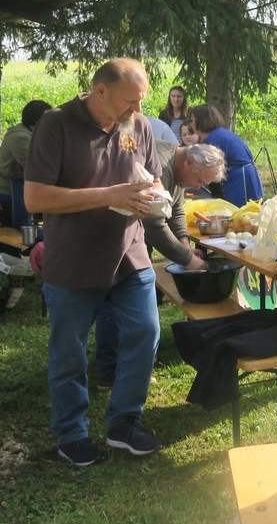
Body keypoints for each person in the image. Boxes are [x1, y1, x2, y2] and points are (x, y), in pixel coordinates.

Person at [24, 57, 165, 467]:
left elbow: (153, 178)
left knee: (145, 332)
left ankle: (124, 423)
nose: (138, 110)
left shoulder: (136, 126)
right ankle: (71, 434)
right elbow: (36, 198)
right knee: (69, 352)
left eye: (141, 101)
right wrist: (110, 195)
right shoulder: (56, 125)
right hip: (73, 261)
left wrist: (150, 196)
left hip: (129, 254)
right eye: (130, 101)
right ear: (100, 91)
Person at [95, 141, 228, 389]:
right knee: (112, 304)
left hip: (132, 240)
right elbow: (154, 225)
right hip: (112, 239)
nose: (198, 187)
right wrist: (188, 259)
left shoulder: (178, 171)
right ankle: (109, 371)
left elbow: (176, 209)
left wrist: (184, 243)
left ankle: (133, 365)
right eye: (199, 180)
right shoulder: (160, 162)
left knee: (134, 307)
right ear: (189, 162)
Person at [0, 99, 51, 228]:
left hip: (17, 187)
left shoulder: (35, 133)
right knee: (12, 230)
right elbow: (35, 168)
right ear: (36, 121)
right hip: (3, 189)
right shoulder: (20, 138)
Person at [187, 104, 264, 207]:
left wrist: (217, 197)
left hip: (240, 179)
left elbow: (210, 170)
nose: (190, 124)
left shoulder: (213, 139)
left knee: (240, 212)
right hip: (242, 175)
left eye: (192, 120)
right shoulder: (218, 134)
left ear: (201, 120)